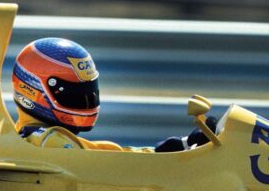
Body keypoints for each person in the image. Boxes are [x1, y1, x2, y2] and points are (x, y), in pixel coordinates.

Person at [12, 37, 208, 152]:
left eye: (89, 92)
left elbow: (103, 152)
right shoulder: (48, 141)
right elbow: (109, 163)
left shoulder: (24, 134)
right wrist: (170, 152)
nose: (85, 100)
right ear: (33, 88)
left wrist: (171, 147)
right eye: (73, 93)